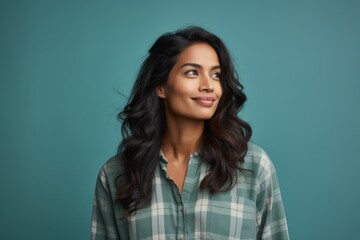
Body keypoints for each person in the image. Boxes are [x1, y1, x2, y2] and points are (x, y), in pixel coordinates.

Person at [91, 26, 289, 240]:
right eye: (192, 72)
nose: (209, 85)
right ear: (161, 87)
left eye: (216, 75)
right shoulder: (115, 174)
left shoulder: (254, 167)